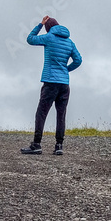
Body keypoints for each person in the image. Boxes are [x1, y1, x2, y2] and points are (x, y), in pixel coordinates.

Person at [21, 16, 82, 155]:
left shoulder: (49, 37)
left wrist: (40, 25)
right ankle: (59, 146)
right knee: (61, 114)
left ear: (48, 28)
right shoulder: (69, 42)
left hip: (50, 83)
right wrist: (66, 69)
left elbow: (30, 39)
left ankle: (36, 144)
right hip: (64, 84)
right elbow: (78, 60)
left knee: (41, 113)